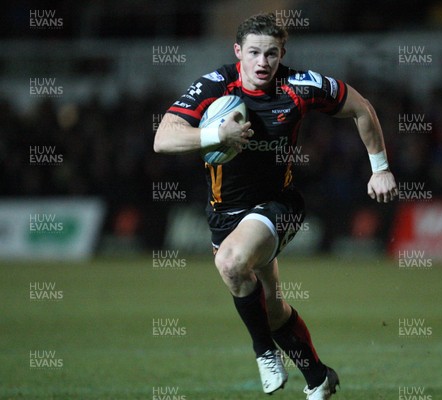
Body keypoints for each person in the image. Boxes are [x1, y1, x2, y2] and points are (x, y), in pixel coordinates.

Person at [154, 13, 398, 399]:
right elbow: (163, 138)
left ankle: (264, 351)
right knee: (272, 309)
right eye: (253, 52)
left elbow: (360, 107)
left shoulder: (300, 85)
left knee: (232, 263)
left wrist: (380, 168)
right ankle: (319, 377)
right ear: (238, 52)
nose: (262, 62)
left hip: (277, 205)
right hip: (224, 214)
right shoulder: (216, 85)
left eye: (271, 53)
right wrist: (218, 133)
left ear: (282, 52)